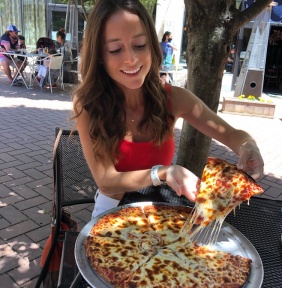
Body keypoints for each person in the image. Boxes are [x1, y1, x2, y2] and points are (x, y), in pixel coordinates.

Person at [72, 0, 264, 218]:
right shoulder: (88, 103)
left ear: (152, 46)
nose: (131, 59)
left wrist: (248, 145)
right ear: (99, 56)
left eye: (139, 45)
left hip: (160, 211)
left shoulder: (173, 98)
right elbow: (106, 182)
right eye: (115, 49)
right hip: (111, 215)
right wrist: (161, 173)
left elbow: (231, 134)